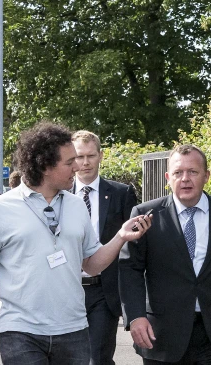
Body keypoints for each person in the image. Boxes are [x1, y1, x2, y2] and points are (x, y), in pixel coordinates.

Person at [0, 121, 153, 365]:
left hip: (73, 330)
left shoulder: (76, 205)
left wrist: (120, 237)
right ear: (44, 166)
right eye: (69, 162)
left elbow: (92, 265)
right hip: (19, 330)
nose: (77, 167)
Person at [119, 144, 211, 365]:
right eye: (178, 173)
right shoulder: (145, 216)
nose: (185, 179)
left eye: (193, 172)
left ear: (206, 176)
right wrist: (135, 316)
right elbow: (130, 269)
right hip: (163, 336)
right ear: (168, 177)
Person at [72, 130, 137, 365]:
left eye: (91, 155)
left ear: (100, 156)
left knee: (97, 359)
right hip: (66, 288)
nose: (85, 162)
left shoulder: (121, 194)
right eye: (79, 156)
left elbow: (132, 246)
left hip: (103, 290)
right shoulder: (58, 195)